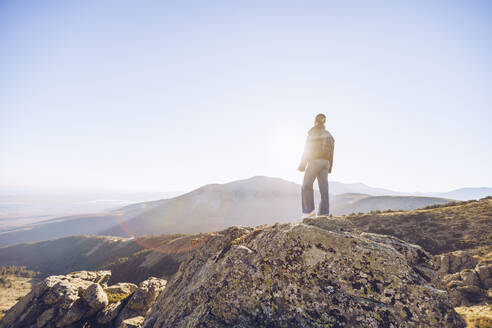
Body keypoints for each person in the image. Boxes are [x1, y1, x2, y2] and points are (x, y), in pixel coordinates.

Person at [298, 113, 335, 218]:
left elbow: (307, 149)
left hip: (315, 161)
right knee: (324, 189)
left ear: (315, 121)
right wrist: (329, 167)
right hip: (326, 163)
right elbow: (332, 152)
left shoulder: (313, 132)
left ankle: (308, 212)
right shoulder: (329, 135)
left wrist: (302, 165)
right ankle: (324, 213)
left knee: (306, 186)